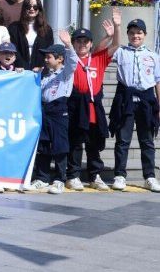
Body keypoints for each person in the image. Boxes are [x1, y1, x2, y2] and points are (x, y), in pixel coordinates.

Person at [66, 11, 120, 192]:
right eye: (78, 41)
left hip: (93, 108)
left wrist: (117, 27)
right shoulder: (69, 59)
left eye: (85, 41)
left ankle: (94, 175)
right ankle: (73, 176)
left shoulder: (97, 59)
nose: (82, 44)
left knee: (93, 143)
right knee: (75, 143)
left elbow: (116, 45)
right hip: (75, 107)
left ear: (90, 44)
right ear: (73, 43)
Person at [109, 18, 160, 192]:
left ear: (145, 34)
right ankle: (120, 175)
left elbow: (157, 81)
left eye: (139, 33)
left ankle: (150, 177)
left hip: (146, 99)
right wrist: (116, 27)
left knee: (147, 140)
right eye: (131, 33)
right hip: (126, 98)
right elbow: (112, 46)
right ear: (127, 35)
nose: (135, 36)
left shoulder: (153, 56)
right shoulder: (121, 52)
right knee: (123, 139)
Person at [28, 30, 77, 195]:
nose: (45, 59)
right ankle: (42, 178)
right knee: (44, 145)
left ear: (60, 58)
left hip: (59, 110)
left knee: (60, 146)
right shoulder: (45, 75)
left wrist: (68, 45)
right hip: (45, 110)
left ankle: (59, 179)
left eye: (49, 57)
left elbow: (73, 62)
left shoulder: (65, 73)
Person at [7, 0, 53, 71]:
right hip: (19, 69)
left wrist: (41, 66)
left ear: (39, 9)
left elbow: (49, 50)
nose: (32, 9)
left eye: (35, 7)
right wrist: (20, 64)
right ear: (24, 8)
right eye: (28, 6)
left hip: (40, 70)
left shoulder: (47, 29)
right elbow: (13, 48)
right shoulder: (14, 27)